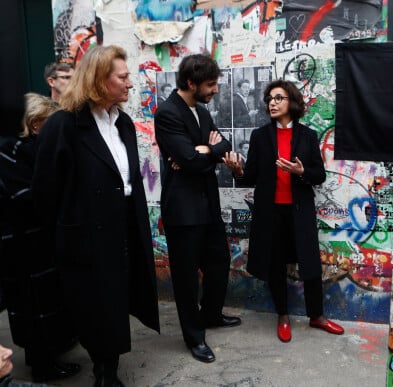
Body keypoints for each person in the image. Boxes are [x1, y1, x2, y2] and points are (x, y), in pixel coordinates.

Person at [32, 45, 160, 387]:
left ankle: (109, 368)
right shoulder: (63, 125)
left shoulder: (125, 124)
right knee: (95, 307)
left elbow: (127, 180)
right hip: (85, 235)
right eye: (123, 76)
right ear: (100, 80)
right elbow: (44, 191)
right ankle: (104, 373)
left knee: (116, 301)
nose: (130, 83)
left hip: (124, 228)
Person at [223, 80, 344, 343]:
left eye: (279, 98)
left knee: (310, 263)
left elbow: (319, 175)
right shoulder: (260, 136)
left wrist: (301, 172)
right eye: (270, 99)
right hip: (271, 211)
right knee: (276, 264)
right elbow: (250, 176)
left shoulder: (307, 136)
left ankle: (317, 316)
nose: (272, 103)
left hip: (299, 209)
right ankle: (283, 315)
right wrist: (237, 171)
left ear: (292, 102)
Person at [153, 54, 241, 364]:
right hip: (183, 210)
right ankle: (194, 337)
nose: (215, 89)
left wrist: (205, 150)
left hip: (207, 203)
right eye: (210, 84)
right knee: (186, 278)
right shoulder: (167, 113)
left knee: (219, 262)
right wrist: (203, 153)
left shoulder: (201, 113)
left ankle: (212, 315)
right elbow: (189, 161)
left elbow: (223, 145)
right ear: (191, 83)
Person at [0, 93, 80, 383]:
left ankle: (46, 358)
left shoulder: (24, 148)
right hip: (22, 244)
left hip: (33, 240)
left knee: (42, 303)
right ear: (34, 124)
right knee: (35, 306)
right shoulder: (12, 151)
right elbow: (27, 196)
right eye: (48, 124)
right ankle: (43, 365)